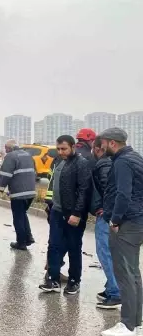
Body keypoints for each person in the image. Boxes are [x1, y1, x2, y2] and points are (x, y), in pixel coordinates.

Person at [100, 128, 143, 336]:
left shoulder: (122, 162)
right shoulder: (136, 157)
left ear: (113, 143)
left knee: (125, 274)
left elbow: (123, 194)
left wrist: (115, 220)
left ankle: (127, 326)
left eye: (104, 143)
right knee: (133, 274)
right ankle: (136, 324)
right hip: (137, 220)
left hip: (127, 223)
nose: (102, 147)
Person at [39, 135, 92, 295]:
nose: (61, 152)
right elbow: (52, 184)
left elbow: (84, 190)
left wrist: (77, 213)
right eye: (59, 149)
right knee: (54, 246)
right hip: (57, 211)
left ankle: (74, 281)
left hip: (73, 214)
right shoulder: (58, 161)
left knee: (73, 247)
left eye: (64, 149)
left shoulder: (81, 164)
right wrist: (50, 205)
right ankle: (53, 280)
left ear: (73, 147)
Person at [90, 136, 121, 310]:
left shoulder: (103, 163)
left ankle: (115, 293)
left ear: (98, 148)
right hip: (114, 214)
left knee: (105, 252)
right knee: (112, 253)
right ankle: (111, 288)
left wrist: (105, 209)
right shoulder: (116, 162)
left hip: (107, 215)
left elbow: (107, 188)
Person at [0, 139, 37, 250]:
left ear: (9, 148)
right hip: (31, 192)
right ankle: (28, 238)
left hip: (19, 193)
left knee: (18, 217)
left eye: (6, 148)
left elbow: (5, 174)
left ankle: (21, 243)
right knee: (23, 214)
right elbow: (34, 172)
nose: (5, 151)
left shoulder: (11, 156)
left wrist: (1, 188)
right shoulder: (28, 155)